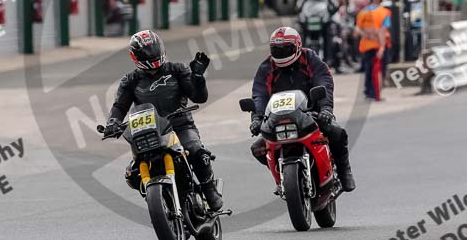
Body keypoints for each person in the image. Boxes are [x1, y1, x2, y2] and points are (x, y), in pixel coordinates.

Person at [104, 29, 223, 211]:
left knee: (196, 151)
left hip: (180, 126)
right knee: (132, 174)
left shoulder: (178, 70)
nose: (151, 54)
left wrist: (198, 78)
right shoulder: (130, 80)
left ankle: (209, 189)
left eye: (154, 49)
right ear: (135, 56)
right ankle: (159, 201)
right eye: (146, 52)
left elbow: (199, 97)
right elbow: (119, 107)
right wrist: (112, 123)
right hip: (148, 131)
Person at [248, 26, 356, 192]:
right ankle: (282, 176)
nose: (281, 53)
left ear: (297, 46)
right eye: (276, 49)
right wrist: (257, 118)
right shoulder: (266, 67)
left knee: (337, 133)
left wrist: (325, 108)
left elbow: (324, 81)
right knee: (258, 149)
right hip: (277, 118)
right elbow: (259, 94)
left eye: (286, 49)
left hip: (310, 113)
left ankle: (344, 172)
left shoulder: (310, 58)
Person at [297, 0, 340, 71]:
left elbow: (335, 3)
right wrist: (299, 7)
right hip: (308, 18)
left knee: (333, 32)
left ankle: (331, 59)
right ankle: (299, 60)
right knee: (297, 34)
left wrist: (332, 8)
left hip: (324, 18)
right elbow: (299, 3)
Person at [355, 0, 391, 101]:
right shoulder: (384, 12)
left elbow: (357, 29)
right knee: (380, 70)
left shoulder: (362, 12)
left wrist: (367, 36)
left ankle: (369, 92)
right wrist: (382, 47)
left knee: (368, 68)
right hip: (379, 45)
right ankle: (375, 93)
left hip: (367, 45)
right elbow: (383, 30)